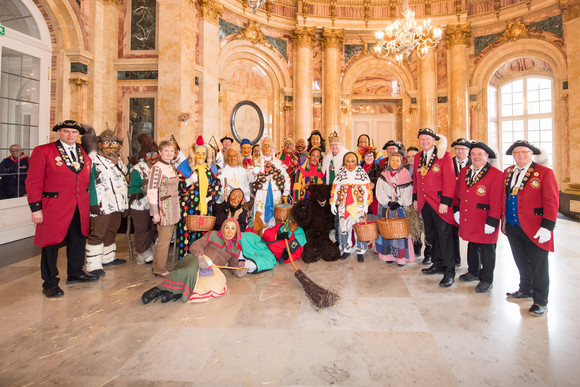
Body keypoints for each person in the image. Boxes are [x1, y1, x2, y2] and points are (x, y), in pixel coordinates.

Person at [26, 120, 99, 298]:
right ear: (59, 132)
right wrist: (36, 208)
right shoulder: (43, 151)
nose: (70, 135)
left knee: (79, 238)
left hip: (79, 205)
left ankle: (75, 272)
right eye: (66, 131)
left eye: (74, 132)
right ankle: (50, 282)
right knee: (50, 244)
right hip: (54, 206)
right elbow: (33, 181)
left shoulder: (83, 151)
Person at [502, 140, 558, 316]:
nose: (520, 155)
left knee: (539, 264)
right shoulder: (508, 172)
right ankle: (525, 289)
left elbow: (551, 200)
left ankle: (541, 300)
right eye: (517, 153)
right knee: (520, 260)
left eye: (524, 152)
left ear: (531, 154)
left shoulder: (544, 173)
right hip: (513, 225)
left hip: (535, 227)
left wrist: (547, 226)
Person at [141, 218, 247, 304]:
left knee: (207, 281)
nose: (229, 231)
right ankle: (158, 290)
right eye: (227, 227)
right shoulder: (212, 235)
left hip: (210, 269)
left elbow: (233, 265)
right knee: (191, 271)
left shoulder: (235, 248)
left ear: (237, 231)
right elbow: (196, 245)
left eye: (233, 228)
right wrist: (200, 257)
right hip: (196, 259)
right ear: (222, 228)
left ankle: (176, 293)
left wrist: (238, 271)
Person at [454, 142, 503, 293]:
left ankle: (487, 279)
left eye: (479, 154)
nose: (475, 157)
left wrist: (493, 221)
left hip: (485, 218)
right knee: (472, 244)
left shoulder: (496, 174)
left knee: (487, 249)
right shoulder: (464, 172)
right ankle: (473, 271)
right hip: (469, 216)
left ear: (487, 156)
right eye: (473, 154)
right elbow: (458, 193)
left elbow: (497, 200)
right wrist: (456, 210)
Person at [413, 128, 457, 287]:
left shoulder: (444, 156)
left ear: (434, 140)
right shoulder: (418, 156)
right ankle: (437, 263)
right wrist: (415, 198)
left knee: (445, 238)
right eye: (422, 139)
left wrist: (446, 201)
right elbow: (417, 179)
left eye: (428, 139)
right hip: (425, 202)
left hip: (440, 204)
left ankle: (449, 271)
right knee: (431, 236)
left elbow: (450, 180)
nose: (424, 142)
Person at [85, 127, 129, 276]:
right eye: (107, 143)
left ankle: (108, 257)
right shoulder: (93, 161)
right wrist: (93, 203)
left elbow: (124, 178)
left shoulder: (118, 161)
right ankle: (93, 264)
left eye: (114, 143)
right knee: (98, 233)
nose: (111, 146)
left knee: (112, 230)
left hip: (117, 203)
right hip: (102, 204)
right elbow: (90, 183)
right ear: (100, 144)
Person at [177, 143, 221, 260]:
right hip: (188, 206)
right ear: (193, 155)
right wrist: (188, 182)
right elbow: (178, 188)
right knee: (185, 234)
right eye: (198, 154)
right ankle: (184, 260)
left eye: (203, 154)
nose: (201, 156)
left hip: (204, 207)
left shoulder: (210, 170)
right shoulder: (186, 168)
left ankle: (201, 259)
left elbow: (217, 187)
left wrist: (209, 198)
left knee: (203, 236)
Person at [330, 152, 373, 262]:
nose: (350, 164)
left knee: (360, 229)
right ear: (344, 162)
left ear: (357, 162)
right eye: (347, 161)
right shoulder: (341, 174)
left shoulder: (362, 174)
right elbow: (335, 189)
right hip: (343, 206)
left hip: (359, 207)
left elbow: (367, 191)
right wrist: (332, 203)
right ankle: (346, 249)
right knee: (344, 229)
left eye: (353, 161)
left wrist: (366, 204)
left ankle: (360, 250)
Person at [147, 140, 181, 277]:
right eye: (166, 151)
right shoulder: (157, 168)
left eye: (171, 151)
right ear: (160, 152)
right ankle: (159, 269)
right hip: (164, 208)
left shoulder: (170, 166)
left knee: (167, 239)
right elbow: (152, 191)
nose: (169, 153)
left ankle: (160, 266)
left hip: (172, 206)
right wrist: (155, 213)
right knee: (164, 240)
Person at [375, 152, 415, 266]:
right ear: (388, 161)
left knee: (399, 233)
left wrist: (399, 203)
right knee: (385, 231)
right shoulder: (383, 174)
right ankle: (387, 255)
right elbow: (379, 190)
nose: (395, 163)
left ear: (401, 162)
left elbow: (408, 192)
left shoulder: (405, 174)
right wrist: (387, 202)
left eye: (397, 161)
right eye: (392, 160)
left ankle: (400, 257)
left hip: (399, 207)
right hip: (385, 206)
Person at [128, 134, 159, 264]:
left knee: (152, 229)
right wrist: (145, 192)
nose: (152, 159)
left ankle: (150, 249)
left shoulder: (159, 168)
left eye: (155, 155)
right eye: (149, 156)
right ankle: (143, 252)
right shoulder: (137, 169)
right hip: (141, 205)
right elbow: (132, 188)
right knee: (142, 229)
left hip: (155, 205)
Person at [249, 137, 290, 235]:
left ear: (272, 148)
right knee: (260, 216)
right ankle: (260, 237)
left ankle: (273, 238)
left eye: (268, 145)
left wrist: (285, 193)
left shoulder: (278, 163)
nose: (267, 148)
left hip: (275, 194)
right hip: (261, 195)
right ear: (261, 148)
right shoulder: (257, 163)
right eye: (264, 146)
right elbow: (250, 179)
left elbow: (287, 178)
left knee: (275, 219)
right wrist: (254, 173)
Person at [406, 145, 431, 263]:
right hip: (409, 202)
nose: (411, 159)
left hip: (423, 201)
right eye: (409, 156)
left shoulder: (423, 167)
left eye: (413, 156)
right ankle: (416, 249)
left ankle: (429, 254)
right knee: (414, 228)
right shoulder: (404, 169)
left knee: (427, 228)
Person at [450, 137, 472, 268]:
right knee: (453, 233)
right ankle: (455, 260)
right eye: (457, 149)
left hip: (469, 203)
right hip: (453, 202)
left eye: (463, 149)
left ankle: (473, 266)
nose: (459, 152)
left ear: (468, 150)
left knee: (472, 235)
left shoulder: (474, 163)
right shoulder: (449, 162)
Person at [359, 146, 381, 219]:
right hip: (360, 200)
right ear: (363, 157)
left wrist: (374, 185)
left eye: (371, 155)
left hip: (373, 200)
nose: (369, 157)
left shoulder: (379, 169)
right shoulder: (358, 168)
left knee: (372, 224)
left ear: (374, 157)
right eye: (367, 155)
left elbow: (382, 185)